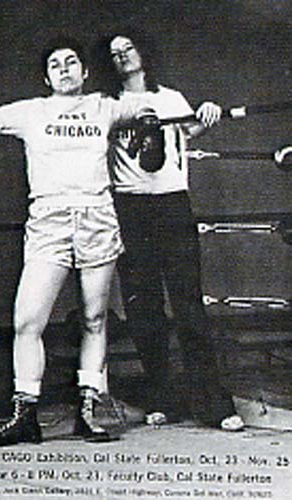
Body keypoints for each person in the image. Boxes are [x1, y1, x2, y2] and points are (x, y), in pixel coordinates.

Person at [0, 36, 156, 446]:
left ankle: (88, 411)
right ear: (46, 77)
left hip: (96, 218)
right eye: (55, 65)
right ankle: (25, 416)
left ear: (84, 71)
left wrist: (146, 120)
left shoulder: (103, 106)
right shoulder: (31, 112)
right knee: (27, 320)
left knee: (95, 318)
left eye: (71, 62)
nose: (64, 69)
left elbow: (142, 107)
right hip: (49, 222)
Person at [95, 30, 244, 431]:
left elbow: (194, 128)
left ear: (143, 51)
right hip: (129, 207)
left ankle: (214, 404)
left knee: (188, 305)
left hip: (172, 204)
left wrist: (209, 111)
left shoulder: (171, 98)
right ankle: (161, 397)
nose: (122, 56)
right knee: (143, 308)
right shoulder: (107, 104)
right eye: (114, 53)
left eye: (128, 48)